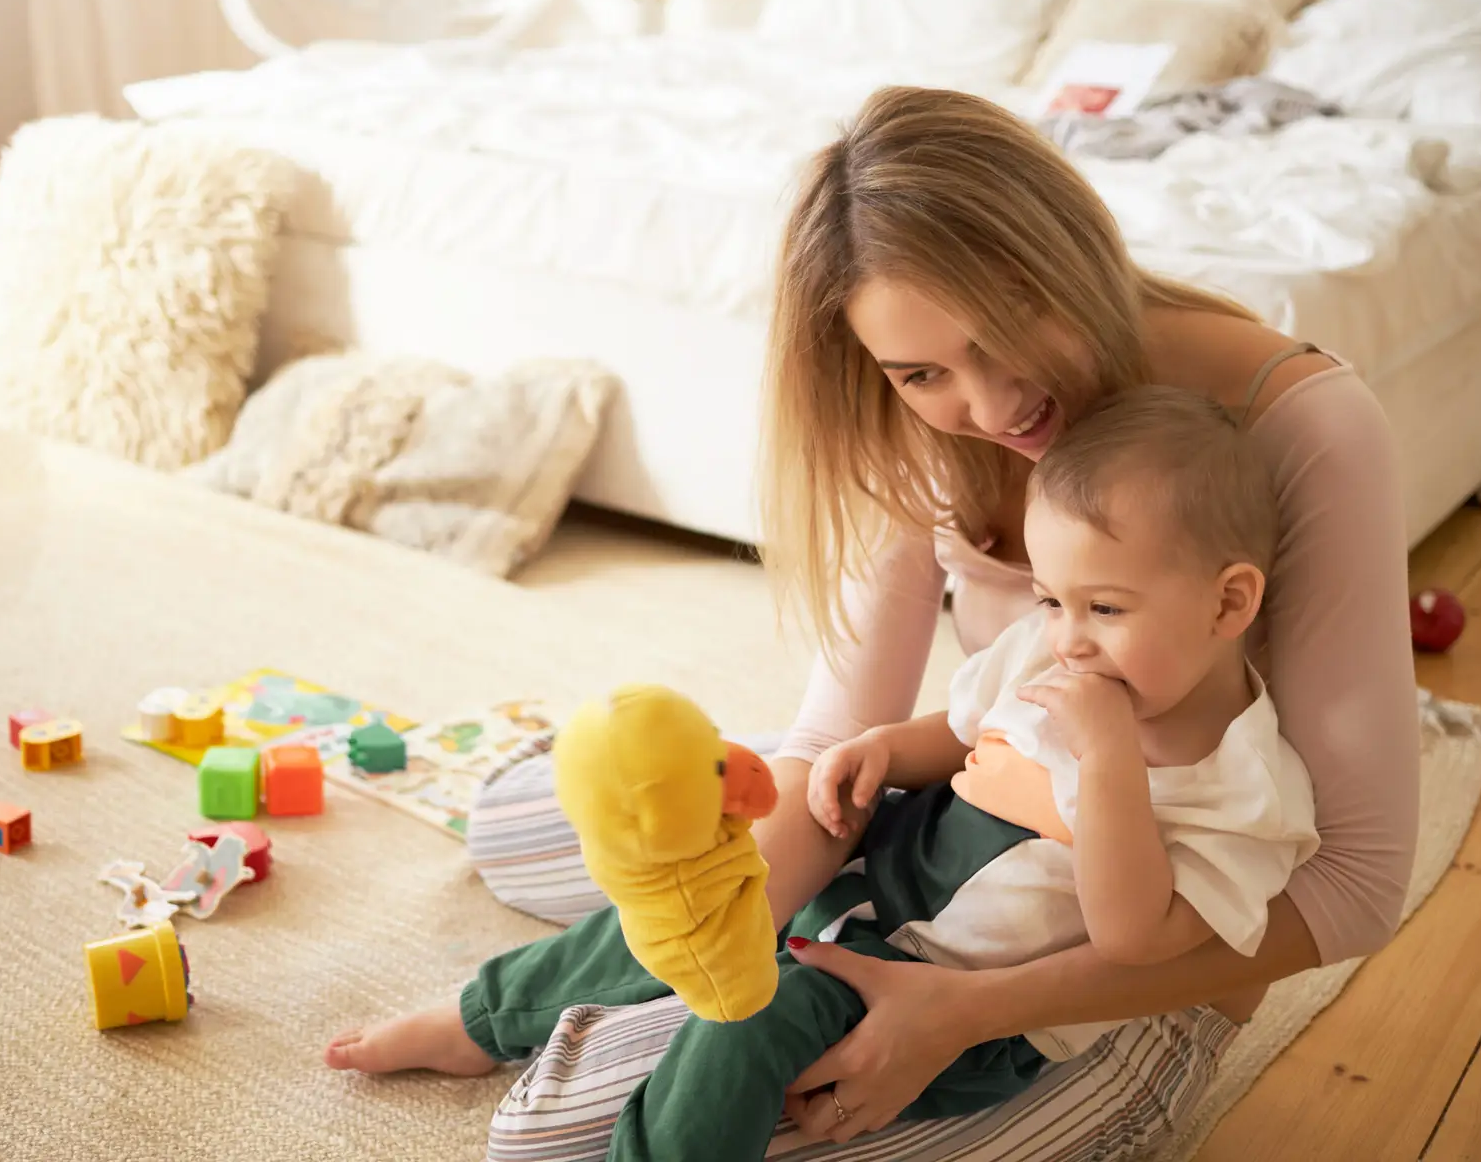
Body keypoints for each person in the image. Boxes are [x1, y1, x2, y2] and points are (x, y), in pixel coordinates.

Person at [458, 85, 1419, 1159]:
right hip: (941, 844)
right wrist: (739, 936)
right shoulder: (921, 409)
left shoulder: (1301, 425)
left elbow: (1357, 889)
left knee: (548, 1135)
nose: (997, 407)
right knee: (515, 830)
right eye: (922, 373)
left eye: (1005, 337)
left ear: (1067, 254)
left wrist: (960, 1010)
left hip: (1111, 963)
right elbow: (837, 748)